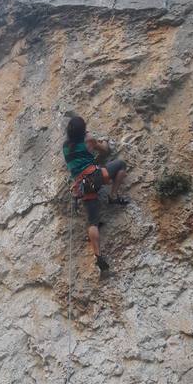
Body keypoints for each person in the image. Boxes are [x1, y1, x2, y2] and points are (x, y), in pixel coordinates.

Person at [63, 115, 128, 272]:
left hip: (83, 186)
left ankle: (98, 256)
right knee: (121, 164)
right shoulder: (88, 140)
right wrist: (102, 141)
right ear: (83, 130)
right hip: (96, 177)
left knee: (93, 222)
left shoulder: (65, 146)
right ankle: (113, 196)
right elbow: (105, 149)